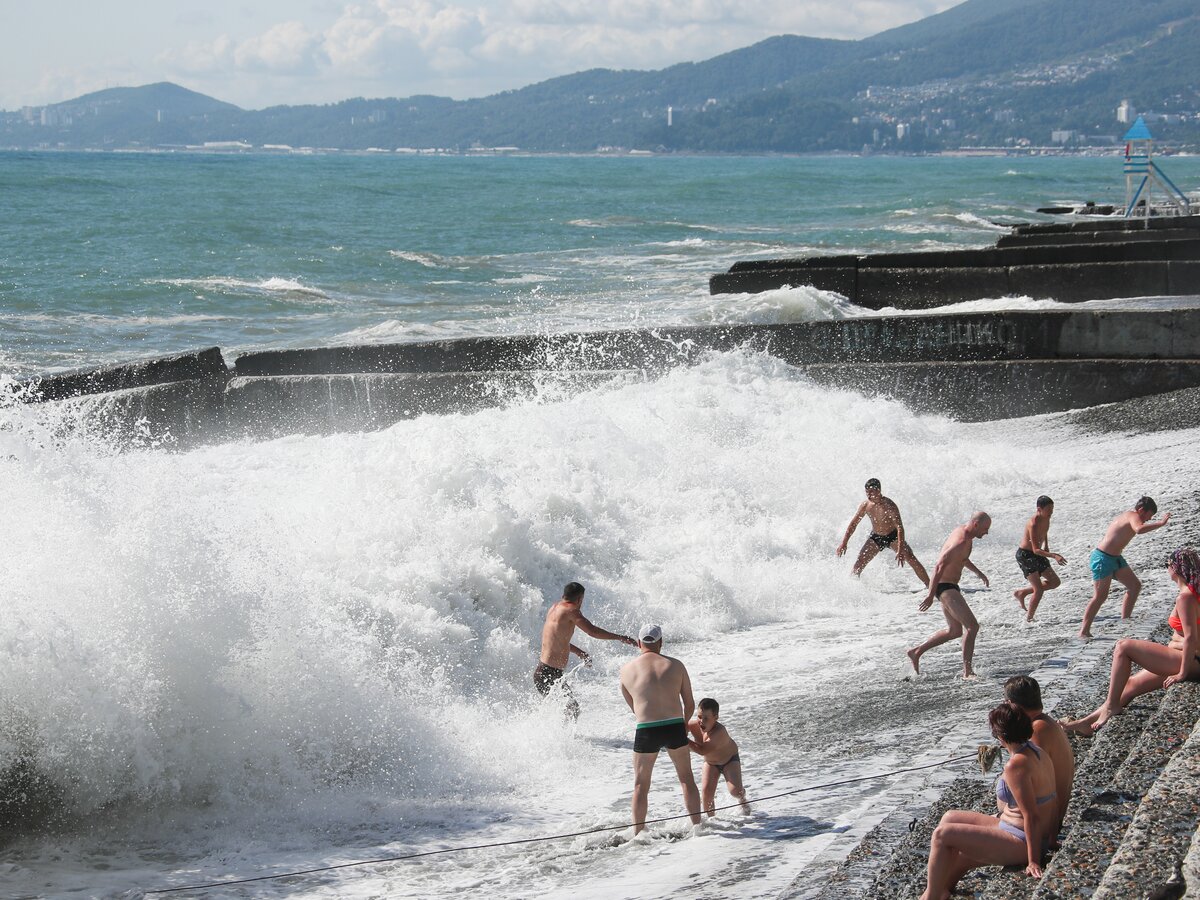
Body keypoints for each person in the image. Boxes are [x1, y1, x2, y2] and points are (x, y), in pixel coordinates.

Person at [921, 703, 1057, 899]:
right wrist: (1052, 837)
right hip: (1015, 827)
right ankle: (940, 890)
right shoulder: (1036, 750)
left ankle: (930, 896)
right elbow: (1053, 798)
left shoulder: (1016, 766)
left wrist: (1033, 860)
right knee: (949, 817)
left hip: (1022, 840)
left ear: (1001, 737)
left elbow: (1032, 816)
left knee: (942, 835)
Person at [1064, 547, 1200, 734]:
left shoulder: (1185, 597)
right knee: (1129, 684)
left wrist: (1181, 674)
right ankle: (1086, 723)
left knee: (1123, 647)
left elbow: (1192, 636)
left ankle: (1111, 706)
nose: (1166, 568)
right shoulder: (1193, 594)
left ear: (1176, 568)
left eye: (1166, 565)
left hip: (1190, 661)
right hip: (1186, 656)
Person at [619, 624, 702, 834]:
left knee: (640, 785)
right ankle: (698, 828)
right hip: (674, 725)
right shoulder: (676, 665)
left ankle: (638, 834)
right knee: (686, 779)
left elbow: (633, 706)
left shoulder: (626, 670)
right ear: (661, 642)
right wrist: (683, 723)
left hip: (646, 728)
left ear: (639, 643)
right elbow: (690, 703)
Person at [534, 581, 637, 718]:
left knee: (566, 710)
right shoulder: (572, 610)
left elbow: (557, 641)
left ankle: (557, 737)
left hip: (543, 672)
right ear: (579, 599)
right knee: (572, 709)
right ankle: (562, 739)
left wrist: (579, 652)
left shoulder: (554, 608)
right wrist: (620, 637)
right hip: (550, 674)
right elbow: (592, 631)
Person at [908, 512, 991, 679]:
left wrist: (979, 573)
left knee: (954, 631)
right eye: (985, 528)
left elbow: (962, 559)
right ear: (976, 525)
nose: (986, 532)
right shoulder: (960, 541)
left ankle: (916, 652)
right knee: (972, 627)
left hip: (949, 586)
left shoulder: (964, 536)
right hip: (944, 587)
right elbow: (939, 566)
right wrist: (931, 595)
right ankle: (967, 672)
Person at [1079, 497, 1170, 639]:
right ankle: (1083, 631)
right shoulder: (1133, 516)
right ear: (1141, 510)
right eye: (1149, 516)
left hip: (1115, 558)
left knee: (1134, 586)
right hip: (1102, 558)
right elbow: (1139, 530)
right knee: (1100, 596)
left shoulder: (1131, 515)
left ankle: (1125, 621)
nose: (1148, 519)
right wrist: (1161, 523)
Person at [1004, 675, 1073, 842]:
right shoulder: (1045, 722)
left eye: (1006, 701)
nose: (1005, 705)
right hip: (1046, 818)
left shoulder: (1038, 729)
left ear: (1013, 704)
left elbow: (1038, 780)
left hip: (1044, 824)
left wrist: (1051, 836)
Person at [836, 477, 930, 587]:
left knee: (911, 558)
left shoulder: (889, 505)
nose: (869, 494)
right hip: (876, 537)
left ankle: (930, 586)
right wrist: (844, 543)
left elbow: (900, 528)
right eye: (867, 492)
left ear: (879, 490)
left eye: (871, 491)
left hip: (893, 536)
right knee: (859, 562)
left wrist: (900, 550)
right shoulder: (866, 505)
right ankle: (851, 588)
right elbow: (853, 524)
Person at [687, 697, 750, 817]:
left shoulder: (719, 732)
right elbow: (681, 726)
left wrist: (684, 740)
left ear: (715, 718)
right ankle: (711, 821)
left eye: (706, 718)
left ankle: (743, 799)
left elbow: (702, 750)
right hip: (711, 763)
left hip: (729, 760)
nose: (701, 721)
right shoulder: (695, 725)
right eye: (700, 716)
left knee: (735, 791)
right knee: (706, 794)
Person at [1013, 496, 1066, 622]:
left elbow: (1044, 531)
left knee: (1055, 582)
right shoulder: (1034, 522)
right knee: (1039, 590)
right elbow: (1035, 549)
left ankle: (1022, 593)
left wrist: (1047, 545)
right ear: (1039, 509)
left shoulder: (1046, 517)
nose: (1051, 512)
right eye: (1048, 509)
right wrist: (1054, 555)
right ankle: (1029, 619)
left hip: (1038, 554)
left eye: (1052, 509)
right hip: (1026, 555)